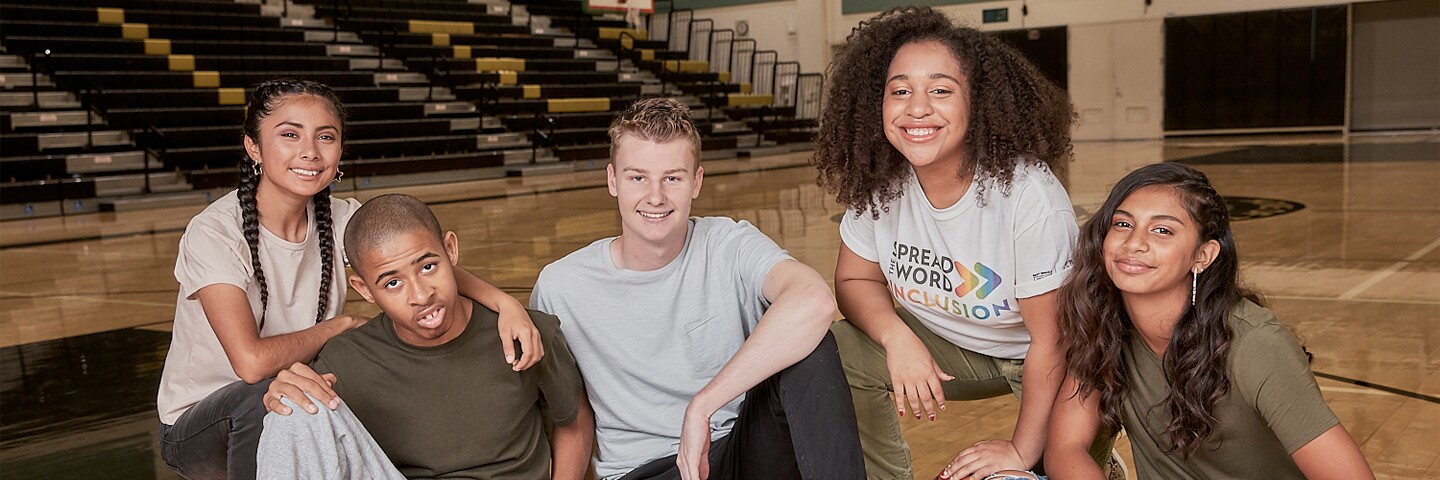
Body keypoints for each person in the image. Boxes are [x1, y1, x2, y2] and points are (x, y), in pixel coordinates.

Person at [155, 79, 543, 479]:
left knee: (335, 389)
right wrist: (337, 326)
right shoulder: (216, 232)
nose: (310, 151)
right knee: (270, 398)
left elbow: (419, 261)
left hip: (301, 390)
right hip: (204, 422)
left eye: (326, 136)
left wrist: (505, 304)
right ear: (253, 147)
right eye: (290, 134)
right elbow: (251, 365)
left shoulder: (341, 218)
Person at [812, 6, 1106, 480]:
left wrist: (1019, 450)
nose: (917, 107)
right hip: (957, 345)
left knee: (1040, 468)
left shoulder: (1027, 194)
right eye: (900, 91)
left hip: (1060, 359)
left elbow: (1053, 341)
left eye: (941, 91)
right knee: (828, 351)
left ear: (980, 103)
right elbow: (853, 277)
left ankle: (1086, 455)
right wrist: (896, 336)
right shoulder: (881, 183)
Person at [529, 97, 864, 480]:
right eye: (637, 177)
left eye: (672, 178)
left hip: (736, 448)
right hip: (645, 471)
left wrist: (702, 405)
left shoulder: (728, 244)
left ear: (696, 182)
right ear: (612, 180)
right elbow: (563, 415)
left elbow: (815, 300)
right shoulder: (561, 287)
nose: (655, 196)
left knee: (811, 345)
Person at [1046, 163, 1374, 479]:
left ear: (1203, 255)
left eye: (1162, 230)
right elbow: (1065, 447)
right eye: (1122, 224)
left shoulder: (1257, 344)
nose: (1134, 243)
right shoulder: (1104, 323)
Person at [252, 194, 591, 479]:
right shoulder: (345, 359)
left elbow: (573, 422)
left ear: (451, 251)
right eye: (392, 283)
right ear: (365, 290)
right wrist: (286, 391)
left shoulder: (526, 332)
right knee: (294, 409)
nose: (420, 294)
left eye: (428, 266)